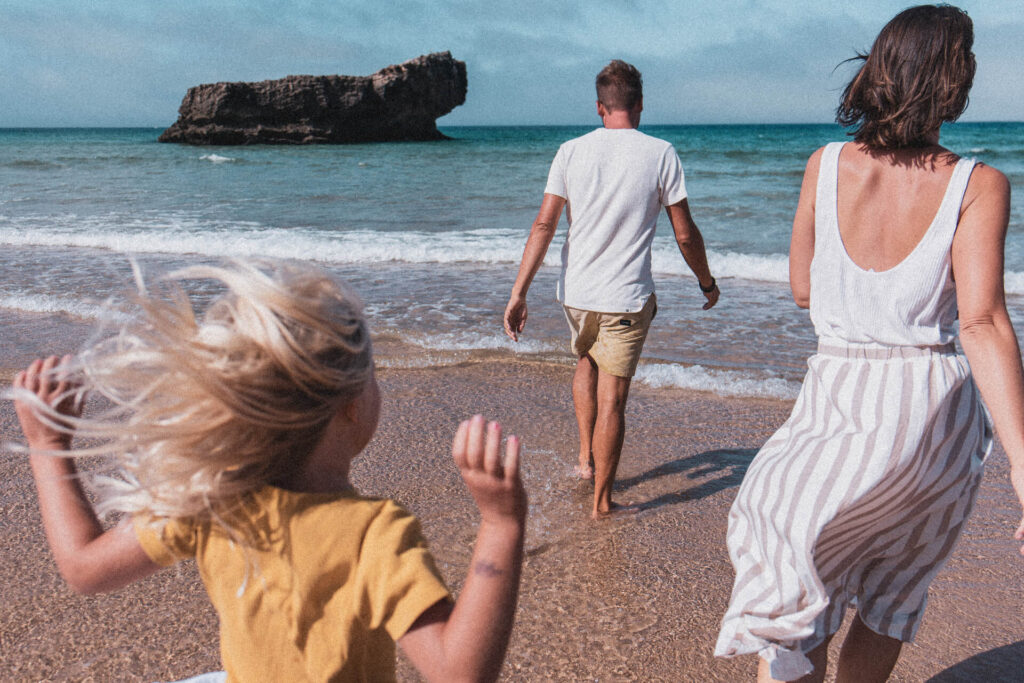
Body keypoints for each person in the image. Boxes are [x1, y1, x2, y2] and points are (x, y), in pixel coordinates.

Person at [10, 260, 528, 683]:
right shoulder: (373, 533)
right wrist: (501, 523)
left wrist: (48, 443)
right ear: (349, 406)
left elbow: (83, 569)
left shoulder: (213, 501)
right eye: (373, 375)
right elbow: (459, 674)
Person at [715, 6, 1024, 682]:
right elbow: (981, 324)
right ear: (954, 78)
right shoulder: (980, 184)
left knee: (803, 598)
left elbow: (803, 287)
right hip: (930, 419)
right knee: (891, 594)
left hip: (836, 399)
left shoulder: (824, 166)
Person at [503, 59, 719, 519]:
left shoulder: (570, 150)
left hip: (576, 293)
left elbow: (544, 224)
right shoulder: (661, 153)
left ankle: (585, 459)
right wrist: (706, 281)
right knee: (614, 398)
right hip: (626, 296)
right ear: (639, 104)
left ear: (600, 107)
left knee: (586, 360)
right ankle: (602, 502)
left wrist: (519, 292)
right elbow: (685, 233)